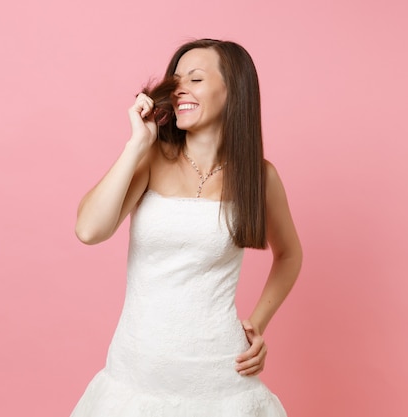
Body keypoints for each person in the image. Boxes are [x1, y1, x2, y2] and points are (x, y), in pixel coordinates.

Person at [70, 39, 302, 416]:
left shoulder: (259, 177)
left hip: (222, 380)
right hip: (136, 376)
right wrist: (136, 144)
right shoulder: (151, 158)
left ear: (234, 91)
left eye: (195, 79)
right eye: (176, 79)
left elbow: (290, 254)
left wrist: (256, 324)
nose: (180, 89)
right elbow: (88, 230)